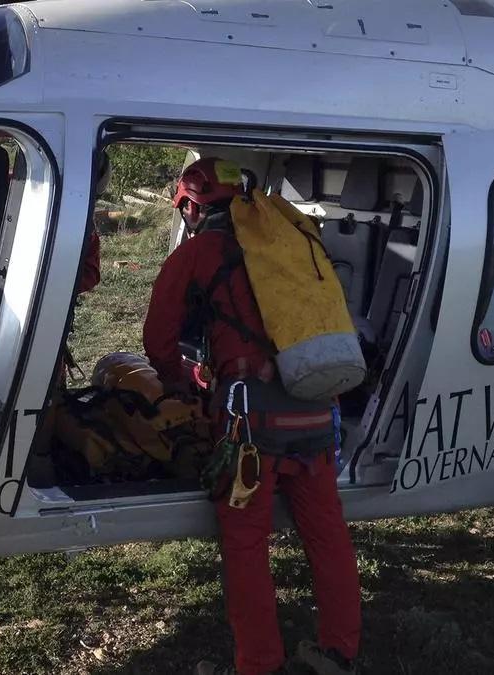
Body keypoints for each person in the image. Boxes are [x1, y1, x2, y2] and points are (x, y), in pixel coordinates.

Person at [142, 158, 362, 675]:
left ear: (193, 206)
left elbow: (158, 340)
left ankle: (259, 664)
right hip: (316, 412)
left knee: (245, 545)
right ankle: (340, 651)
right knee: (328, 536)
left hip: (248, 429)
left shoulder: (198, 252)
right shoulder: (295, 239)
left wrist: (185, 386)